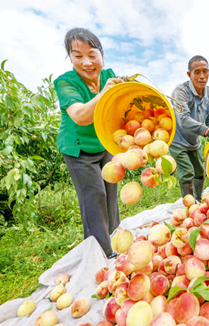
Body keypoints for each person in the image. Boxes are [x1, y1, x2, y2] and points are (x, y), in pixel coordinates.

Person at [54, 28, 124, 258]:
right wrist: (104, 93)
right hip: (78, 148)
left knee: (110, 191)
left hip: (104, 143)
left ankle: (115, 238)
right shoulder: (65, 83)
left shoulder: (109, 75)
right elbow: (81, 116)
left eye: (92, 54)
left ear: (102, 55)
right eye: (78, 55)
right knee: (94, 197)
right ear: (70, 57)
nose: (86, 62)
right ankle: (102, 253)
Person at [170, 55, 209, 202]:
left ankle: (199, 200)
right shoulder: (181, 91)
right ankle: (189, 206)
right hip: (177, 140)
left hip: (193, 141)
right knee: (187, 172)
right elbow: (183, 120)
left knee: (200, 172)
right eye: (197, 72)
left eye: (205, 71)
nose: (202, 76)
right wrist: (208, 131)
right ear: (189, 74)